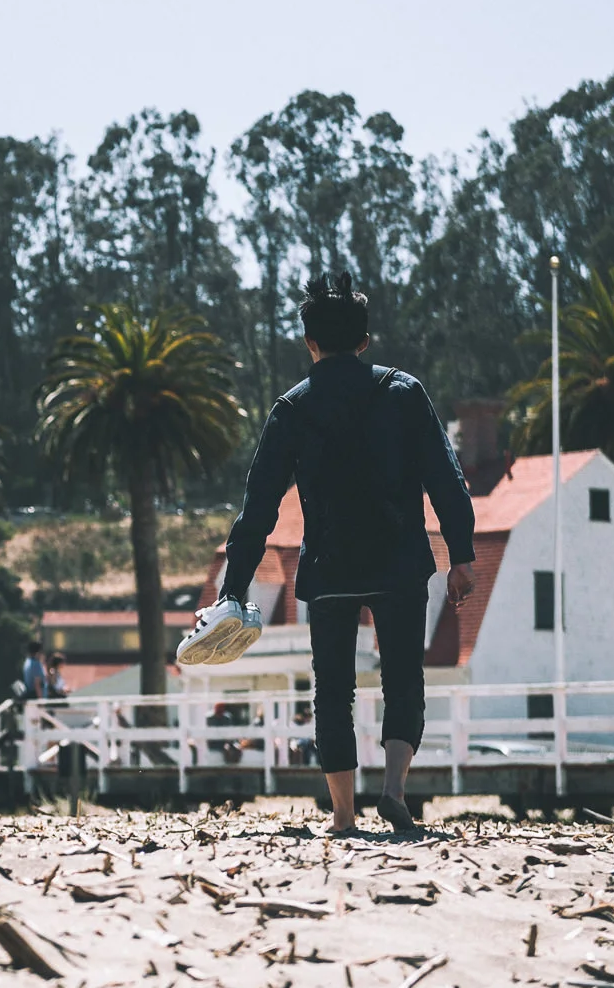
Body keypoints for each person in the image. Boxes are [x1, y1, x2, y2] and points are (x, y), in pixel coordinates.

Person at [178, 271, 475, 835]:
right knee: (404, 680)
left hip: (329, 568)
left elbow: (259, 506)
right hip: (400, 561)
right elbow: (446, 476)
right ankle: (394, 791)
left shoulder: (292, 409)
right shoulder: (404, 392)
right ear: (365, 340)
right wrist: (461, 555)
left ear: (309, 341)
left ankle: (343, 815)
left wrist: (232, 590)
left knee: (332, 691)